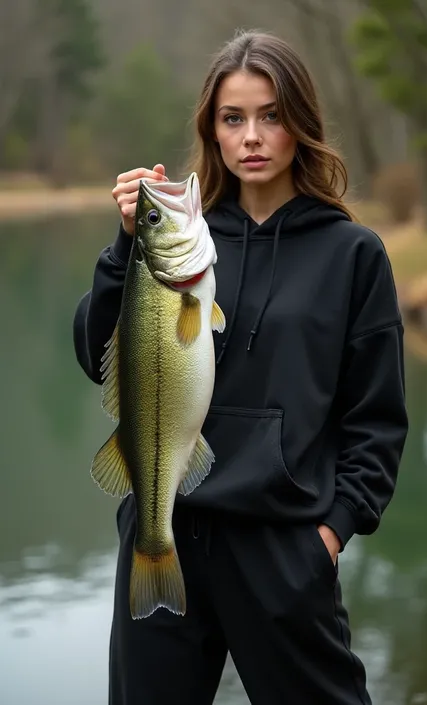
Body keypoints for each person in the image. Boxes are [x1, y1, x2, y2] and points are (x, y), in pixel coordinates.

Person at [73, 29, 408, 705]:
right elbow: (94, 353)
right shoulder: (180, 238)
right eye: (233, 118)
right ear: (213, 130)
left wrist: (332, 532)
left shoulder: (353, 254)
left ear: (300, 126)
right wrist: (125, 248)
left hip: (284, 547)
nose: (251, 136)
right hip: (162, 531)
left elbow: (376, 419)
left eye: (270, 115)